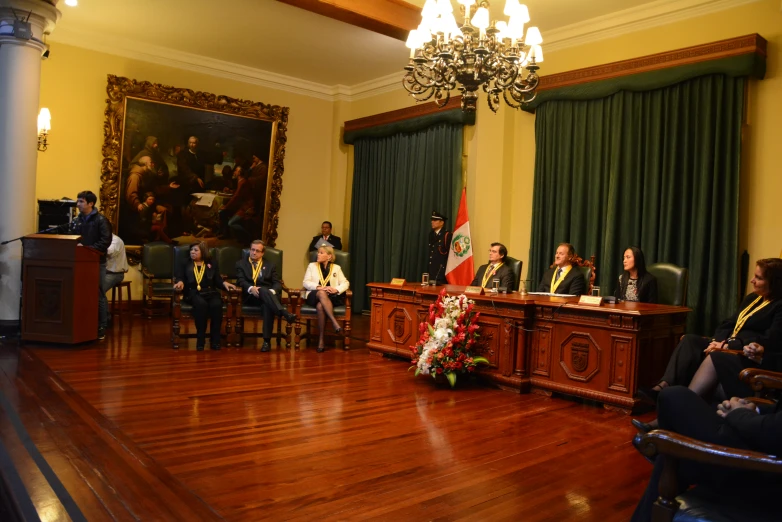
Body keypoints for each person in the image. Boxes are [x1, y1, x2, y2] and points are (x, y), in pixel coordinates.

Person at [633, 258, 782, 432]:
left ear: (774, 283)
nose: (752, 280)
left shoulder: (779, 306)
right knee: (690, 340)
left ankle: (674, 413)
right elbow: (728, 323)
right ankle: (661, 388)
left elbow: (770, 339)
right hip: (726, 345)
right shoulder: (752, 299)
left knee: (715, 356)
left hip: (746, 356)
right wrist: (717, 341)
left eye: (759, 278)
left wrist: (729, 345)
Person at [630, 386, 782, 522]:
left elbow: (774, 432)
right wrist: (753, 409)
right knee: (675, 449)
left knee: (673, 397)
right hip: (764, 441)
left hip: (766, 470)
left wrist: (739, 413)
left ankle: (660, 448)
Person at [235, 240, 297, 352]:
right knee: (263, 292)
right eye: (252, 250)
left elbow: (277, 283)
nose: (254, 253)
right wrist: (251, 288)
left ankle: (266, 342)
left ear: (262, 253)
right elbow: (240, 281)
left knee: (267, 303)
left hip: (268, 296)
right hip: (251, 297)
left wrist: (272, 292)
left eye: (257, 251)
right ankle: (283, 313)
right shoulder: (241, 264)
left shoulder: (270, 265)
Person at [173, 242, 236, 350]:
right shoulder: (185, 262)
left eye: (196, 250)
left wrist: (224, 283)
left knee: (216, 305)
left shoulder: (212, 263)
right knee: (201, 305)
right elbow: (180, 277)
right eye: (191, 250)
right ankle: (200, 339)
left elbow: (217, 280)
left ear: (203, 252)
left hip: (210, 292)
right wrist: (180, 282)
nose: (192, 252)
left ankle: (215, 340)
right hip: (193, 293)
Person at [71, 190, 112, 340]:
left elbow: (105, 241)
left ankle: (101, 325)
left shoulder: (101, 220)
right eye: (78, 201)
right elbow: (72, 238)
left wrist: (88, 250)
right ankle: (82, 324)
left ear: (91, 203)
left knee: (98, 293)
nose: (78, 204)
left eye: (81, 201)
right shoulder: (77, 220)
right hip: (79, 263)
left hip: (96, 262)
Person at [302, 245, 349, 353]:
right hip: (313, 295)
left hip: (330, 297)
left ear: (329, 256)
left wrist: (336, 289)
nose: (318, 254)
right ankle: (334, 322)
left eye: (321, 253)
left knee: (320, 306)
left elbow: (345, 283)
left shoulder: (336, 268)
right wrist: (319, 287)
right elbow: (306, 282)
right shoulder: (312, 266)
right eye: (318, 252)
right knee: (322, 293)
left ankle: (321, 340)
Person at [219, 165, 255, 242]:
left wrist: (226, 206)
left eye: (235, 171)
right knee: (222, 213)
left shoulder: (243, 182)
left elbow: (236, 196)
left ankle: (249, 237)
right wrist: (230, 191)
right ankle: (226, 234)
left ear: (239, 173)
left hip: (246, 208)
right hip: (241, 207)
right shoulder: (241, 181)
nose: (234, 172)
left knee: (231, 223)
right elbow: (238, 193)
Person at [103, 233, 129, 324]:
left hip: (115, 274)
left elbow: (110, 252)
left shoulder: (115, 240)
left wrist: (95, 245)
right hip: (103, 272)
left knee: (99, 290)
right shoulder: (102, 239)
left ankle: (106, 319)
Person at [428, 211, 450, 285]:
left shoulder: (447, 235)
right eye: (432, 220)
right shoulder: (431, 234)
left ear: (442, 222)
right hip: (432, 272)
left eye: (435, 220)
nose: (432, 222)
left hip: (441, 272)